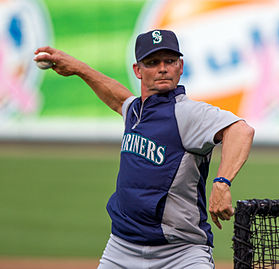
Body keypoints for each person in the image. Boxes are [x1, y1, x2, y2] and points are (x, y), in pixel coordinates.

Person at [34, 29, 254, 269]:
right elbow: (118, 97)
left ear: (180, 66)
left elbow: (241, 130)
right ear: (137, 70)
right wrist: (78, 68)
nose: (162, 68)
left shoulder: (187, 113)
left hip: (180, 253)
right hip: (121, 248)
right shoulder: (135, 110)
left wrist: (222, 183)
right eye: (152, 62)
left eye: (169, 61)